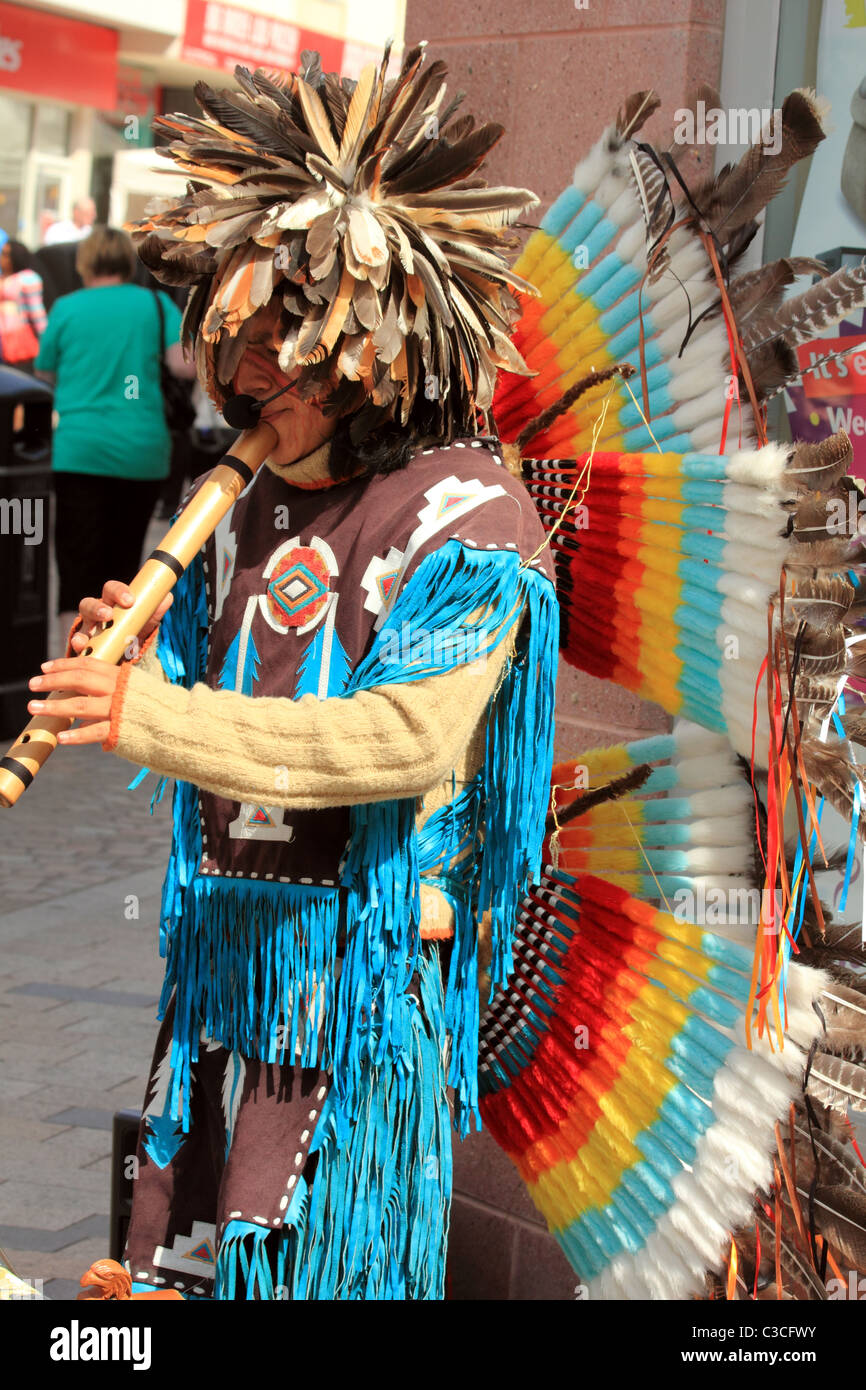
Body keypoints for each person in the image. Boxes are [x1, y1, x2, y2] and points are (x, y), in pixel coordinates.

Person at [25, 46, 559, 1300]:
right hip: (227, 969)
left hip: (357, 990)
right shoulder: (254, 497)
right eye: (237, 339)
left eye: (289, 346)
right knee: (180, 1266)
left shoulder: (470, 512)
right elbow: (251, 681)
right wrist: (147, 647)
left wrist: (148, 711)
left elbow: (405, 739)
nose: (249, 377)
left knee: (316, 1270)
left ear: (387, 348)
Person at [35, 225, 196, 642]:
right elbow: (185, 366)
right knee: (123, 564)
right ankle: (112, 657)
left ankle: (66, 661)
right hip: (141, 451)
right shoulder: (154, 304)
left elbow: (43, 371)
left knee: (74, 564)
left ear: (85, 262)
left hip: (80, 449)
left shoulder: (67, 308)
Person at [0, 238, 47, 371]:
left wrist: (45, 338)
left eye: (6, 254)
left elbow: (36, 312)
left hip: (15, 339)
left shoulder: (27, 279)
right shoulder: (3, 277)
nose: (2, 258)